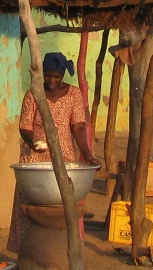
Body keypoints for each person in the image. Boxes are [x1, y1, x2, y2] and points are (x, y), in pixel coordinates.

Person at [7, 51, 100, 253]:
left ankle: (66, 254)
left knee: (63, 205)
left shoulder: (74, 94)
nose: (51, 80)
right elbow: (25, 126)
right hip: (34, 156)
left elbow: (78, 126)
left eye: (56, 77)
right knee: (28, 205)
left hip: (63, 154)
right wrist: (32, 142)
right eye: (48, 75)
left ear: (63, 75)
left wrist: (88, 154)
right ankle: (26, 252)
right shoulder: (33, 93)